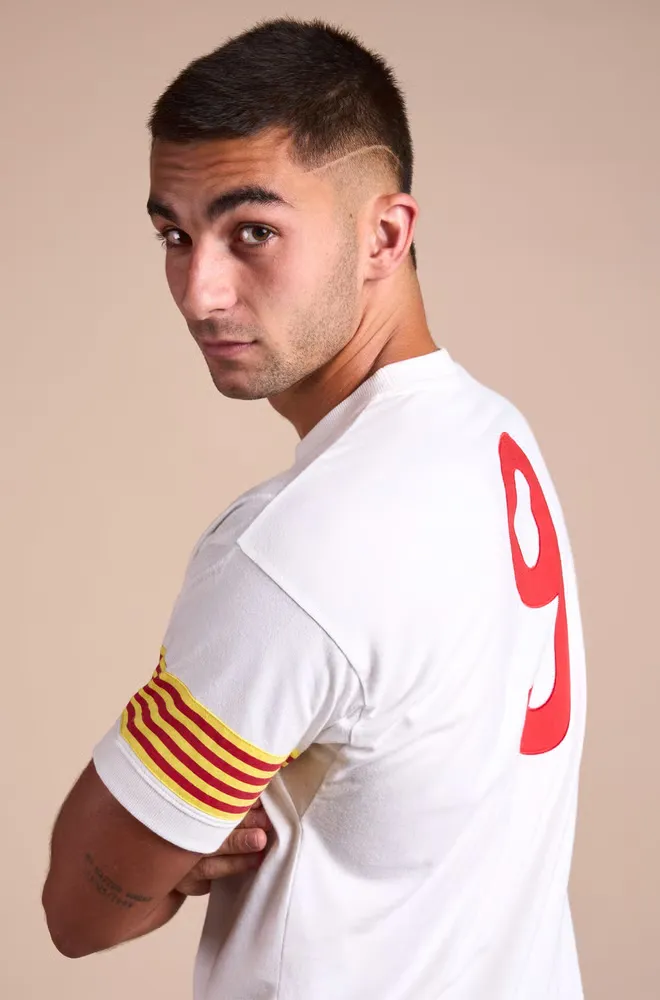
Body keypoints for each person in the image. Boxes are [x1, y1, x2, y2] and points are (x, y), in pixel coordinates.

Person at [42, 16, 586, 1000]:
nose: (200, 292)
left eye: (252, 232)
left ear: (386, 235)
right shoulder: (493, 433)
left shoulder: (294, 552)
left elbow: (80, 908)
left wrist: (167, 864)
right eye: (175, 235)